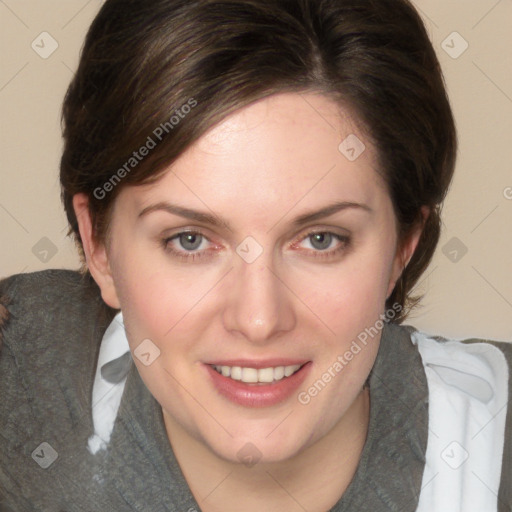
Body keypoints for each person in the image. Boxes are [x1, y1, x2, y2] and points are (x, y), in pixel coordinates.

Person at [0, 0, 510, 510]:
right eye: (190, 240)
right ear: (99, 247)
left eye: (320, 239)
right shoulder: (20, 376)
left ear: (403, 245)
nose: (259, 319)